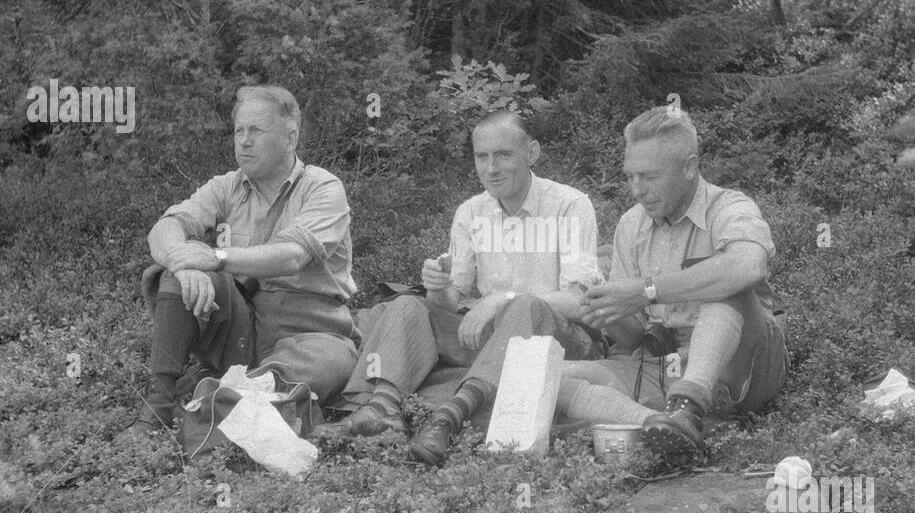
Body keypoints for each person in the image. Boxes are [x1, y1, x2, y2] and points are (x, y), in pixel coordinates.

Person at [335, 110, 602, 465]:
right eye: (481, 156)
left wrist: (501, 299)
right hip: (493, 341)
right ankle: (382, 409)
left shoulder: (570, 205)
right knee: (408, 304)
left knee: (525, 307)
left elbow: (579, 299)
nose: (491, 168)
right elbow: (451, 302)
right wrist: (437, 286)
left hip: (558, 339)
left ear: (532, 153)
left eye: (504, 155)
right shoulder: (471, 212)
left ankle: (449, 417)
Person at [118, 85, 359, 439]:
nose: (243, 141)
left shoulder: (323, 187)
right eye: (238, 131)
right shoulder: (227, 186)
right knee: (175, 268)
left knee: (328, 363)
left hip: (314, 331)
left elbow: (293, 255)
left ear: (290, 137)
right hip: (245, 330)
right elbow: (165, 227)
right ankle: (159, 403)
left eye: (256, 130)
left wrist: (215, 257)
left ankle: (231, 394)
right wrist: (183, 264)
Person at [556, 106, 787, 459]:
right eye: (630, 176)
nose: (637, 189)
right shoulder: (631, 225)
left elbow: (748, 265)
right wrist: (608, 312)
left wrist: (646, 290)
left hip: (742, 365)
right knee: (548, 376)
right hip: (664, 365)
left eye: (649, 176)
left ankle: (690, 401)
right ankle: (663, 425)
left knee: (726, 286)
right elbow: (635, 336)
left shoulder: (730, 207)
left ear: (690, 166)